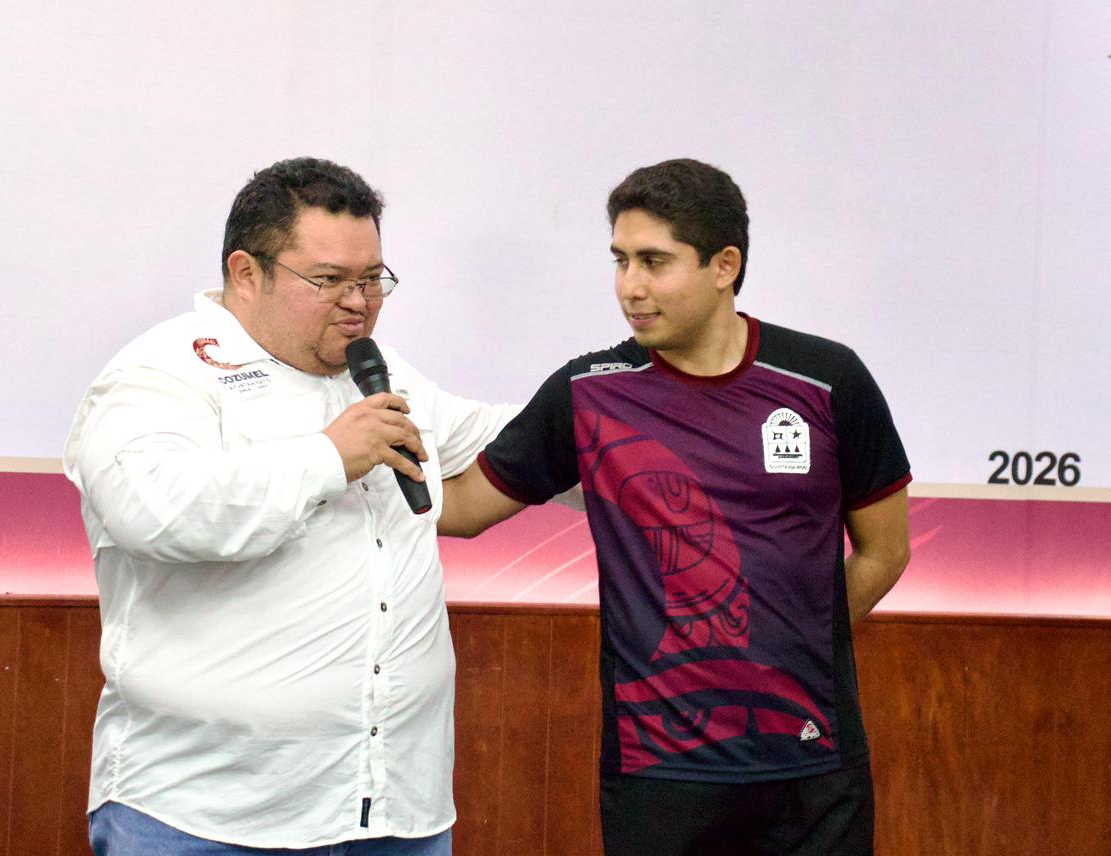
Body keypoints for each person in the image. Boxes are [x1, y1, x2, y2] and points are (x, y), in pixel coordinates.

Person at [439, 159, 912, 856]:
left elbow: (885, 550)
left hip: (813, 769)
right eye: (621, 260)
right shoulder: (588, 392)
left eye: (654, 262)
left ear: (724, 265)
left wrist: (796, 644)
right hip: (658, 773)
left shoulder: (827, 379)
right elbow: (460, 510)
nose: (630, 286)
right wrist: (346, 454)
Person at [64, 158, 513, 855]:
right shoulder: (160, 372)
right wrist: (329, 458)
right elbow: (152, 509)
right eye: (328, 280)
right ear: (247, 273)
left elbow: (503, 443)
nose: (359, 302)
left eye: (372, 279)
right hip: (207, 817)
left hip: (395, 811)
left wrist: (622, 418)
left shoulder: (382, 374)